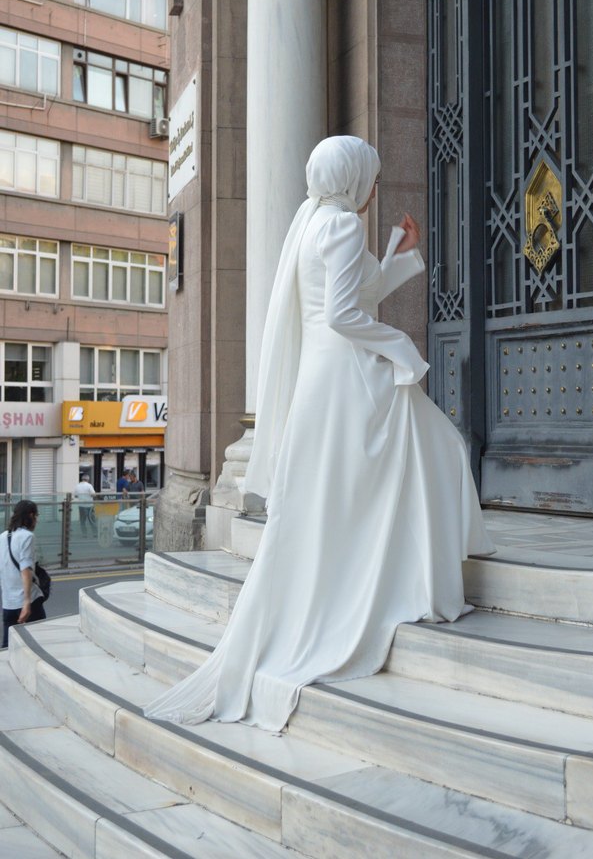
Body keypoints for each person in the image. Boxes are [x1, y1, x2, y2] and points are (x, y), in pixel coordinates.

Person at [145, 135, 495, 732]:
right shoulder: (341, 226)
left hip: (324, 375)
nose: (375, 188)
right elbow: (342, 314)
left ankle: (413, 574)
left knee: (361, 483)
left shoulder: (312, 222)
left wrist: (400, 252)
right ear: (352, 177)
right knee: (437, 449)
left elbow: (354, 292)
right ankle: (423, 581)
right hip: (349, 373)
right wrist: (400, 346)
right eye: (372, 176)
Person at [0, 500, 46, 648]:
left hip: (8, 603)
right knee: (39, 645)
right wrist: (26, 602)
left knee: (8, 648)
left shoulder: (2, 536)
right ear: (31, 515)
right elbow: (25, 569)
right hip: (28, 601)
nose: (37, 520)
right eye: (36, 516)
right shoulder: (27, 537)